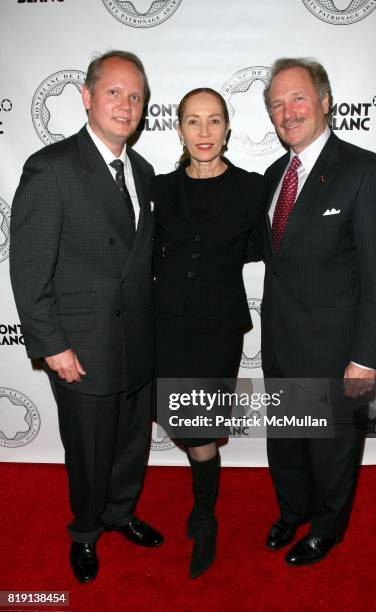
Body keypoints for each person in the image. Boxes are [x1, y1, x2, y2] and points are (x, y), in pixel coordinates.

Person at [9, 50, 163, 584]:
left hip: (137, 344)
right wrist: (53, 345)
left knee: (128, 445)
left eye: (135, 95)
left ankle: (120, 513)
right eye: (114, 91)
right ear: (87, 97)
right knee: (88, 453)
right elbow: (30, 270)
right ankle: (86, 532)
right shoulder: (51, 168)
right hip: (83, 347)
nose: (126, 104)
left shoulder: (142, 171)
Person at [260, 57, 376, 566]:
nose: (287, 111)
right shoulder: (277, 174)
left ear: (324, 101)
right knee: (288, 444)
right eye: (276, 104)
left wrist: (367, 356)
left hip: (336, 352)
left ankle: (326, 528)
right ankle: (292, 510)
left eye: (297, 98)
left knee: (332, 451)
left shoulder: (365, 171)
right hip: (279, 345)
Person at [153, 88, 264, 578]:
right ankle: (201, 507)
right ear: (178, 128)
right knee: (174, 418)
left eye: (213, 121)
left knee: (201, 427)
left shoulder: (253, 189)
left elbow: (273, 250)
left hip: (218, 328)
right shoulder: (158, 188)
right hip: (164, 326)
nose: (203, 132)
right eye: (193, 121)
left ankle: (205, 515)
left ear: (227, 129)